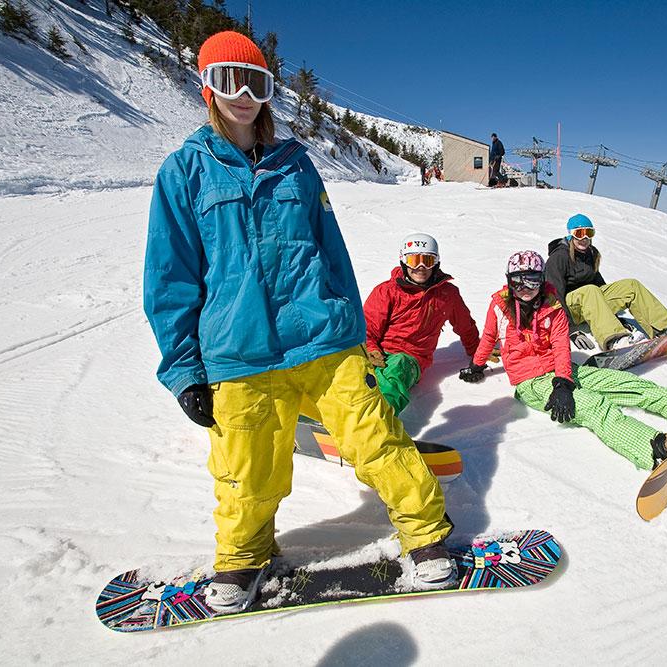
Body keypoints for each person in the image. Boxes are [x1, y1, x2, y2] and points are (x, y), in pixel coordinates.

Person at [143, 31, 455, 615]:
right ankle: (242, 560)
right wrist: (184, 369)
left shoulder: (296, 165)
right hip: (238, 353)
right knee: (246, 474)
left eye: (256, 83)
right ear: (207, 87)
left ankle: (426, 534)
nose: (243, 96)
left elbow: (330, 252)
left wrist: (356, 332)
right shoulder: (184, 172)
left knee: (378, 439)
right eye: (229, 81)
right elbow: (170, 278)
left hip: (324, 341)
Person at [458, 250, 667, 470]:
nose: (525, 288)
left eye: (532, 281)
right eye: (518, 281)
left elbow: (562, 346)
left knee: (625, 383)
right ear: (509, 281)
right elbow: (489, 337)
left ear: (541, 280)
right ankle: (654, 448)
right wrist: (476, 365)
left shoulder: (552, 305)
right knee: (595, 406)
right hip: (531, 382)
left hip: (565, 371)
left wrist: (563, 382)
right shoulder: (499, 306)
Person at [364, 233, 480, 415]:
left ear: (436, 262)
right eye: (414, 260)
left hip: (410, 358)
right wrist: (371, 349)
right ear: (403, 261)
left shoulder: (447, 294)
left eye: (427, 260)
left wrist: (477, 351)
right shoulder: (387, 291)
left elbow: (465, 324)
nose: (420, 267)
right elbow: (368, 327)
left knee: (395, 372)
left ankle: (375, 424)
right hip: (377, 353)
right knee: (357, 377)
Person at [546, 213, 667, 352]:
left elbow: (601, 287)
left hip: (590, 301)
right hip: (569, 308)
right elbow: (552, 295)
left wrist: (612, 317)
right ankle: (615, 340)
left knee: (631, 285)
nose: (584, 238)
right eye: (579, 233)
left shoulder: (591, 253)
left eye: (589, 233)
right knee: (590, 290)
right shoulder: (559, 257)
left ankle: (664, 328)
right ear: (570, 235)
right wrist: (569, 329)